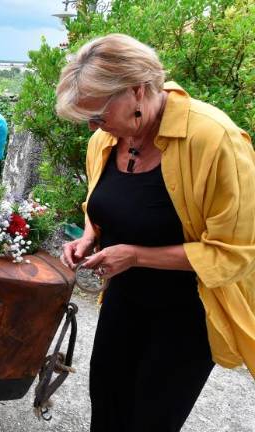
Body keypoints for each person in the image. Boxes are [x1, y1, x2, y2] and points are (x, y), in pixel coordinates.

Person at [56, 33, 255, 431]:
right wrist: (89, 236)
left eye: (98, 115)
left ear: (137, 91)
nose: (94, 127)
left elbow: (236, 253)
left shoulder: (215, 139)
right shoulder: (106, 140)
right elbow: (107, 204)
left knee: (151, 421)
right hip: (125, 301)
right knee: (107, 408)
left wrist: (134, 255)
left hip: (188, 315)